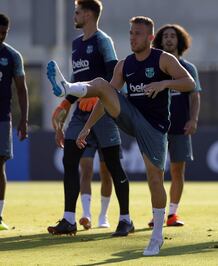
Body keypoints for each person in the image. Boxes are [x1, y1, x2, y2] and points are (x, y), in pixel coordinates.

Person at [47, 16, 195, 255]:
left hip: (154, 128)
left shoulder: (163, 59)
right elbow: (105, 98)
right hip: (130, 115)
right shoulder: (124, 65)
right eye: (130, 33)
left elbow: (188, 83)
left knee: (154, 179)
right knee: (102, 84)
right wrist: (87, 127)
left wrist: (164, 84)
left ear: (149, 38)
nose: (132, 38)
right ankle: (68, 88)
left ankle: (157, 236)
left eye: (137, 34)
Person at [47, 0, 134, 237]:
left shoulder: (103, 41)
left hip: (104, 112)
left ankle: (126, 219)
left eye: (76, 12)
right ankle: (68, 219)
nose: (74, 16)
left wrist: (98, 98)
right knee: (69, 160)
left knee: (114, 165)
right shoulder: (76, 45)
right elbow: (78, 81)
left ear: (87, 14)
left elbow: (114, 74)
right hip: (80, 112)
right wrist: (66, 103)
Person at [149, 24, 202, 227]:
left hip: (180, 127)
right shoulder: (155, 66)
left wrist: (193, 119)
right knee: (156, 172)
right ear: (160, 41)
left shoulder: (188, 68)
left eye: (173, 36)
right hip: (158, 128)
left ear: (180, 41)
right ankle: (157, 214)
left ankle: (172, 214)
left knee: (177, 170)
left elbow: (195, 96)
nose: (169, 39)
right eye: (166, 36)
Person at [0, 13, 29, 231]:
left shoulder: (12, 56)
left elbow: (21, 89)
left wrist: (24, 120)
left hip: (2, 118)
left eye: (4, 33)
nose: (1, 37)